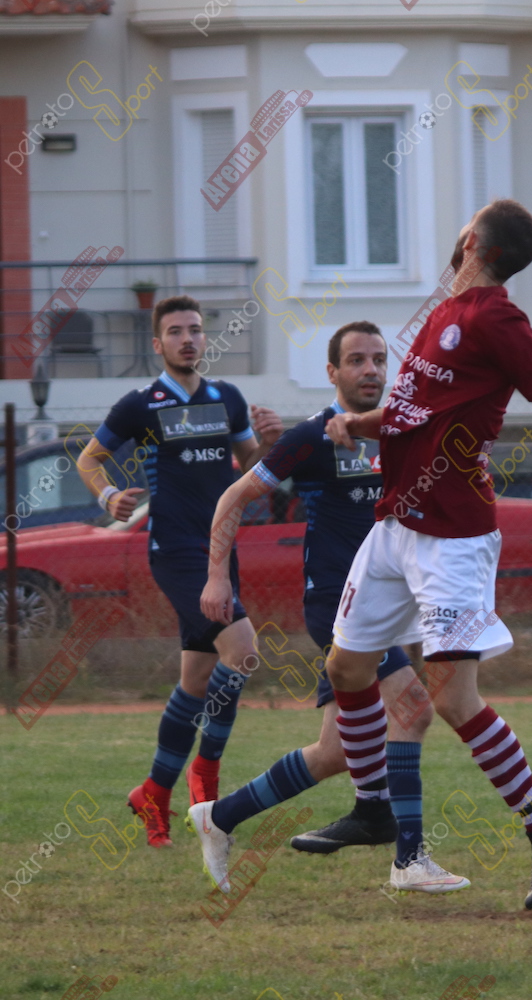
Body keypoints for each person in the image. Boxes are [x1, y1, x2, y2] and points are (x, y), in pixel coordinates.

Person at [324, 199, 532, 909]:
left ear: (473, 241)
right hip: (396, 524)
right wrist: (358, 422)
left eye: (464, 223)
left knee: (452, 697)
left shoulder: (496, 319)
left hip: (452, 537)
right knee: (345, 666)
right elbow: (413, 414)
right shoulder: (445, 314)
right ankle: (373, 809)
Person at [189, 323, 461, 894]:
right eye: (356, 360)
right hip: (339, 604)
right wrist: (216, 576)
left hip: (385, 606)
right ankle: (409, 859)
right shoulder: (312, 437)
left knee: (334, 752)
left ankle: (219, 816)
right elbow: (234, 496)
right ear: (333, 372)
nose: (371, 369)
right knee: (413, 709)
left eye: (379, 359)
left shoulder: (397, 431)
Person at [74, 295, 284, 847]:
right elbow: (89, 458)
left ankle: (153, 792)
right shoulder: (141, 404)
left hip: (220, 550)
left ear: (204, 339)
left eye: (194, 329)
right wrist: (108, 495)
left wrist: (269, 443)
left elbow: (249, 468)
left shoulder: (227, 398)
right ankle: (205, 779)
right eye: (175, 331)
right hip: (176, 551)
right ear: (157, 343)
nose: (187, 338)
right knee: (243, 650)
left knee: (195, 681)